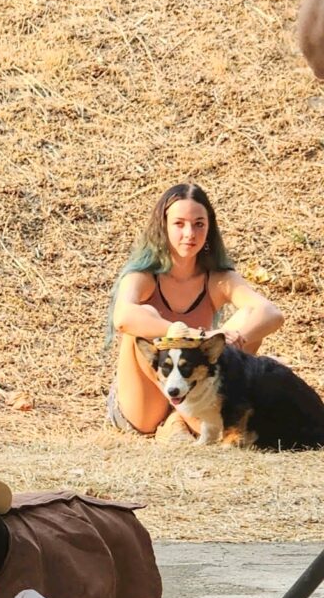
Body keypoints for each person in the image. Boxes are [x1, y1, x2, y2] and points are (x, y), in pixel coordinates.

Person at [106, 182, 283, 438]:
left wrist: (227, 339)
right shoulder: (143, 276)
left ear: (209, 229)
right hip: (142, 405)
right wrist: (193, 336)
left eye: (199, 224)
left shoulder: (217, 278)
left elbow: (271, 313)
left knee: (249, 320)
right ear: (163, 226)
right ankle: (184, 424)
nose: (190, 233)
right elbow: (122, 318)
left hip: (194, 387)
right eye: (179, 224)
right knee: (140, 331)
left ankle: (179, 423)